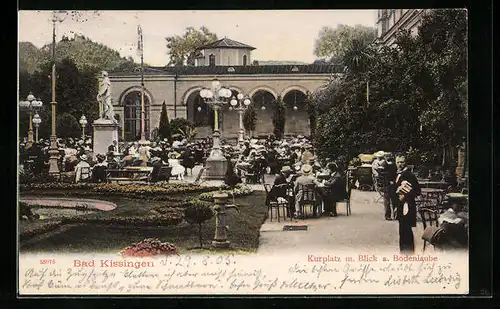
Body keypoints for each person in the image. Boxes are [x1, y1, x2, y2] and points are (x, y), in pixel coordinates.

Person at [395, 155, 421, 254]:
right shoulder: (397, 174)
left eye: (402, 162)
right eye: (398, 162)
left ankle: (409, 253)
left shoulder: (410, 175)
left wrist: (406, 196)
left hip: (408, 205)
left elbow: (417, 191)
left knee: (407, 229)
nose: (400, 164)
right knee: (402, 229)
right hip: (400, 205)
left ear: (405, 162)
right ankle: (403, 251)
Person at [385, 154, 398, 220]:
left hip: (387, 184)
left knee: (387, 201)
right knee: (394, 200)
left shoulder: (385, 166)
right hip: (393, 184)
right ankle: (396, 215)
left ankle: (388, 215)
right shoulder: (394, 166)